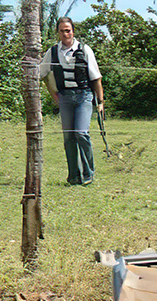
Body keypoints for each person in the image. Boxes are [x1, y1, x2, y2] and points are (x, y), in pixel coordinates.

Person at [38, 17, 104, 185]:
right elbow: (42, 74)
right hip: (65, 98)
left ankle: (88, 173)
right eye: (62, 30)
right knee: (68, 138)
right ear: (58, 33)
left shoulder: (85, 49)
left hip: (84, 96)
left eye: (68, 30)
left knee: (81, 133)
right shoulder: (53, 52)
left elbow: (96, 78)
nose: (65, 33)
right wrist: (54, 95)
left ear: (73, 31)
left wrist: (100, 102)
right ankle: (73, 176)